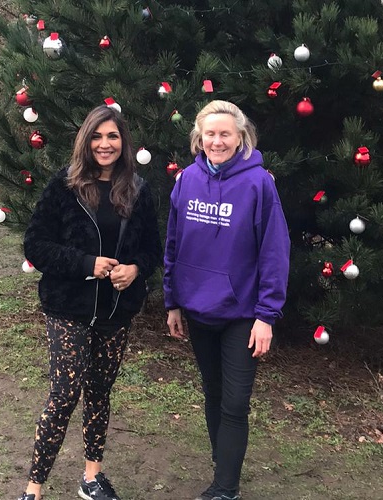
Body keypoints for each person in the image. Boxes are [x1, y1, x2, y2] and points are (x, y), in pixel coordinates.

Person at [19, 105, 162, 500]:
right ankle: (34, 487)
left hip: (116, 311)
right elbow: (35, 245)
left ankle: (92, 477)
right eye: (97, 137)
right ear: (86, 140)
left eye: (112, 136)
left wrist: (135, 269)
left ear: (123, 142)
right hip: (69, 307)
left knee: (100, 391)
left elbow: (153, 247)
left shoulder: (137, 189)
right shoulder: (63, 186)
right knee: (64, 394)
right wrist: (85, 263)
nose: (105, 144)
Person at [163, 100, 290, 500]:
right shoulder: (185, 180)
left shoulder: (259, 184)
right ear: (198, 139)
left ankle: (225, 488)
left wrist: (267, 315)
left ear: (240, 138)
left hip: (243, 315)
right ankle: (225, 466)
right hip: (198, 310)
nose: (217, 141)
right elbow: (173, 244)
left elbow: (274, 251)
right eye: (209, 134)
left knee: (235, 402)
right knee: (213, 394)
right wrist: (172, 302)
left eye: (225, 134)